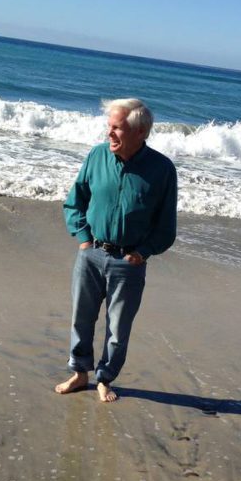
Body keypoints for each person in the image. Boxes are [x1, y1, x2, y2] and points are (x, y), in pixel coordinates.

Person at [55, 98, 177, 402]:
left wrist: (143, 252)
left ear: (140, 132)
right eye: (109, 126)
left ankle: (105, 378)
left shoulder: (162, 170)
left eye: (117, 128)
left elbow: (166, 226)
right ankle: (80, 373)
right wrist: (83, 238)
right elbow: (75, 200)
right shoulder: (96, 156)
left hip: (129, 262)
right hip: (91, 254)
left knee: (118, 329)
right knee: (80, 318)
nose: (109, 133)